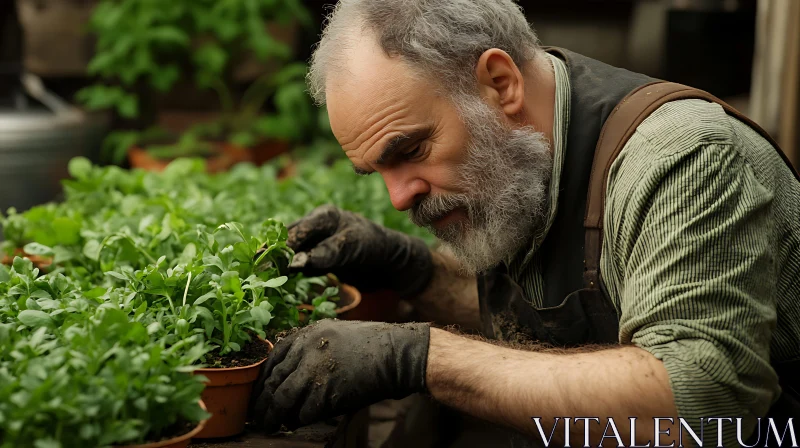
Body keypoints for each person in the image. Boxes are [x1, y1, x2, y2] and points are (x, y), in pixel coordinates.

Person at [250, 0, 800, 446]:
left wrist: (423, 358)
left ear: (499, 82)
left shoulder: (682, 160)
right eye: (378, 171)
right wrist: (415, 270)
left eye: (412, 148)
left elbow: (702, 403)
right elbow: (577, 321)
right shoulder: (526, 157)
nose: (398, 197)